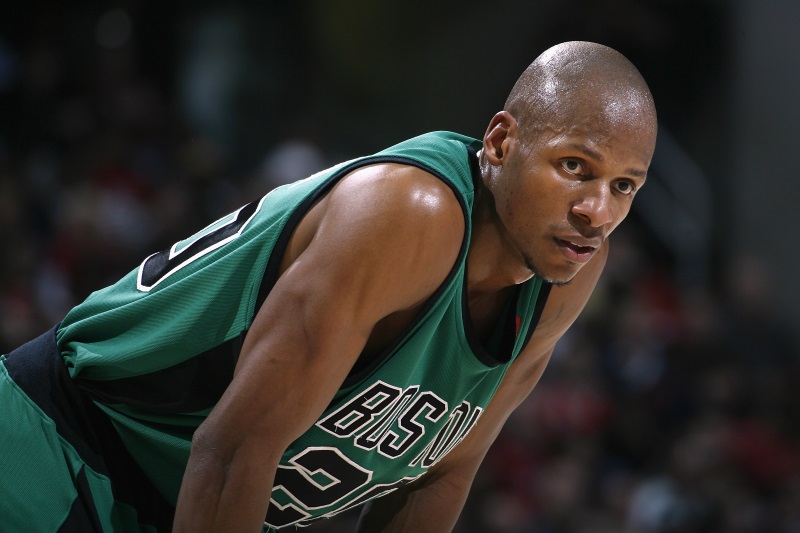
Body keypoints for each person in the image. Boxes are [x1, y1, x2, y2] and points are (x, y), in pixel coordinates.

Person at [0, 41, 657, 532]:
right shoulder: (411, 214)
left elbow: (440, 477)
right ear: (502, 140)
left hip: (172, 503)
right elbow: (233, 449)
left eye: (624, 186)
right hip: (60, 450)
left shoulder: (565, 273)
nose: (597, 212)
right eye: (575, 167)